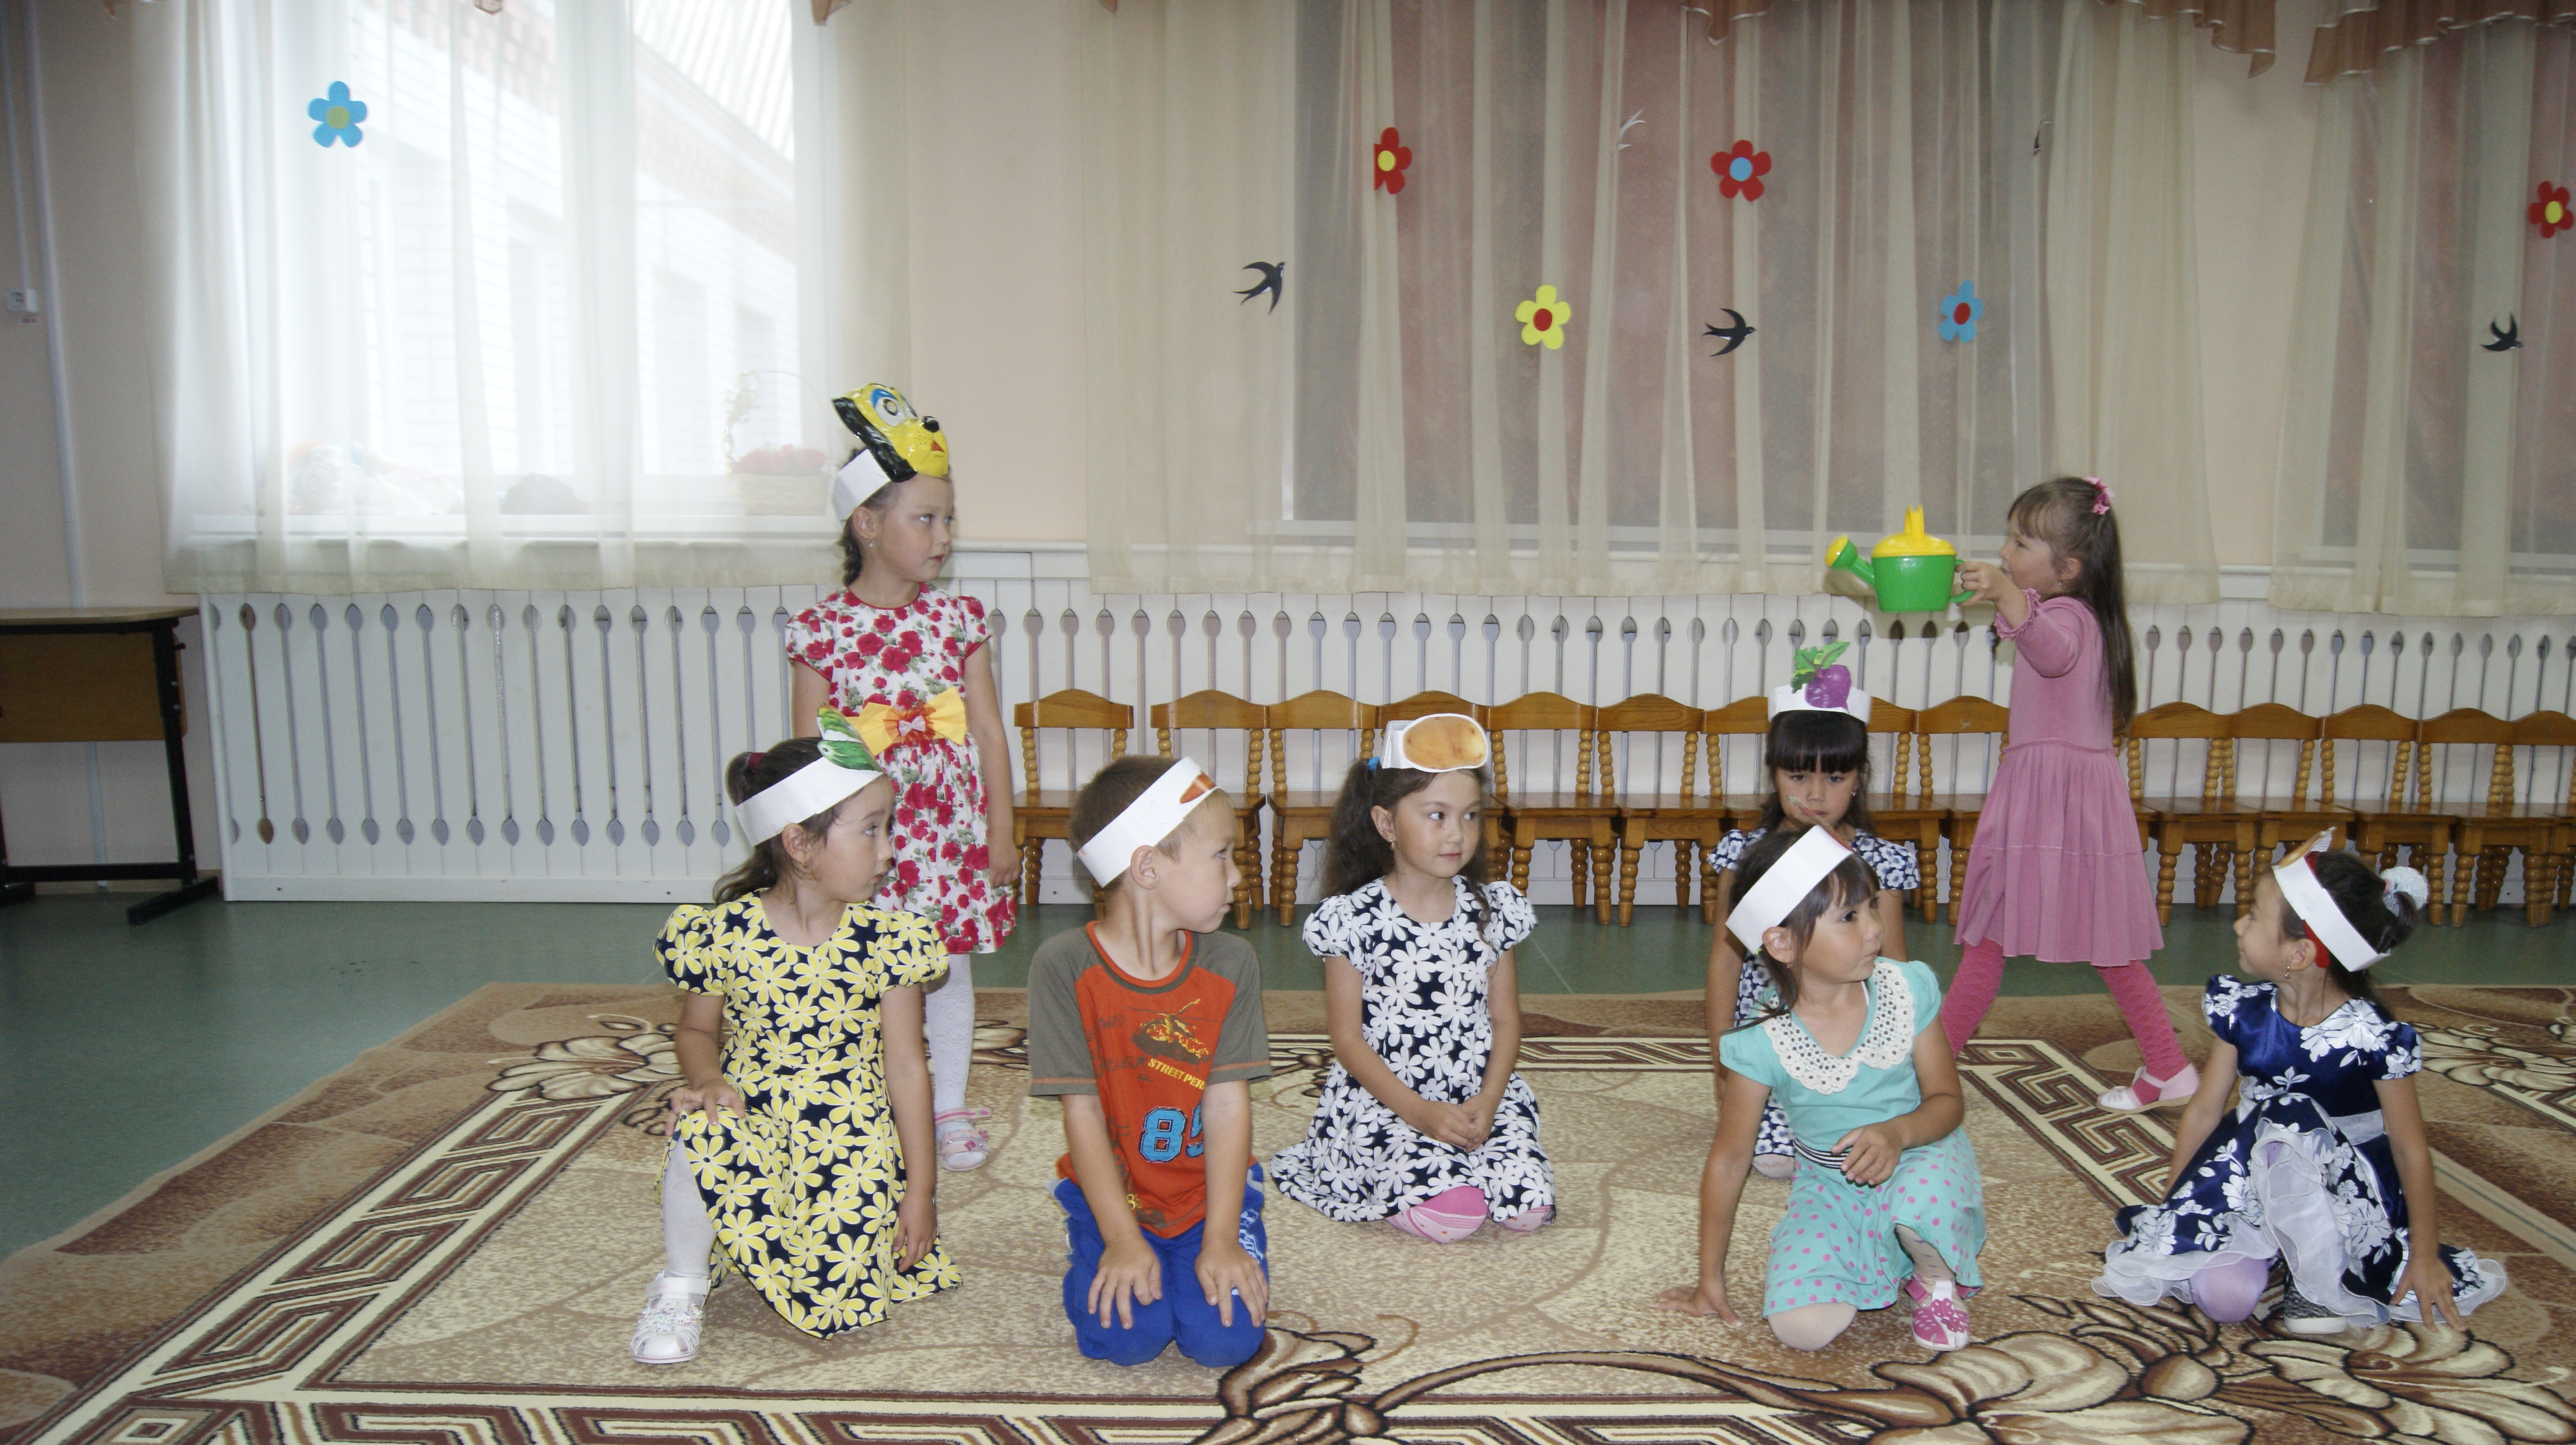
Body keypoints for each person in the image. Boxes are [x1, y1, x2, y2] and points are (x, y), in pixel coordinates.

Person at [632, 716, 957, 1364]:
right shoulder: (723, 932)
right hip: (751, 1110)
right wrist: (707, 1081)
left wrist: (918, 1194)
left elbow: (906, 1068)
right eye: (870, 829)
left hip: (850, 1135)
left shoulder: (888, 940)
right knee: (699, 1122)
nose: (889, 849)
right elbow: (696, 1029)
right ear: (799, 843)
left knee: (838, 1290)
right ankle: (680, 1284)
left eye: (887, 827)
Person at [2095, 839, 2506, 1332]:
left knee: (2290, 1112)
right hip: (2249, 1179)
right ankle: (2276, 1252)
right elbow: (2205, 1112)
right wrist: (2176, 1209)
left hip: (2345, 1198)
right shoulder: (2244, 1011)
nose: (2238, 926)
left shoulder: (2372, 1035)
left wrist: (2423, 1252)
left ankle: (2319, 1281)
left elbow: (2409, 1148)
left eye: (2253, 917)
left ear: (2300, 953)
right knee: (2225, 1302)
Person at [787, 383, 1014, 1171]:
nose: (943, 536)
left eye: (948, 519)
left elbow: (987, 730)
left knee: (946, 970)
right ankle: (869, 1101)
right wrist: (814, 846)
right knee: (867, 970)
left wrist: (1002, 830)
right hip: (864, 838)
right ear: (867, 524)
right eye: (925, 518)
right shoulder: (821, 630)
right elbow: (810, 748)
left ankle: (947, 1107)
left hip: (949, 835)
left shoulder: (959, 620)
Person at [1658, 826, 1985, 1354]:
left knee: (1923, 1204)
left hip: (1918, 1155)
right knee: (1801, 1330)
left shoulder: (1906, 988)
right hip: (1831, 1187)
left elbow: (1949, 1102)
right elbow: (1730, 1159)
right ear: (1783, 943)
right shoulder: (1761, 1039)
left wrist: (1898, 1133)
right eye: (1850, 917)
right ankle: (1880, 1253)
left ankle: (1935, 1279)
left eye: (1872, 906)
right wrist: (1709, 1280)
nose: (1875, 928)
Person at [1941, 475, 2189, 1112]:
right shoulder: (2066, 611)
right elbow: (2037, 641)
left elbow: (2053, 653)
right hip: (2054, 803)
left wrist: (2006, 596)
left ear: (2069, 568)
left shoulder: (2070, 616)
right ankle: (2167, 1066)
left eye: (2020, 543)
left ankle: (1931, 1065)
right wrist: (2003, 595)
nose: (2005, 552)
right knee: (2007, 939)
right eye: (2008, 539)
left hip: (2056, 805)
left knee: (2004, 937)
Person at [1026, 754, 1272, 1368]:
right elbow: (1082, 1113)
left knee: (1223, 1343)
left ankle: (1223, 1237)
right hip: (1114, 1197)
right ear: (1147, 867)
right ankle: (1091, 1241)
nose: (1237, 877)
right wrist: (1119, 1239)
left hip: (1208, 1197)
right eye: (1222, 855)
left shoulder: (1230, 963)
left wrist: (1220, 1239)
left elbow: (1226, 1105)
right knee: (1124, 1341)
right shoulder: (1064, 967)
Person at [1270, 714, 1553, 1242]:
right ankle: (1420, 1178)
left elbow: (1506, 1021)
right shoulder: (1353, 920)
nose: (1457, 834)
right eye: (1437, 816)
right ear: (1386, 825)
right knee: (1456, 1215)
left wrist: (1489, 1101)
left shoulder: (1493, 911)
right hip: (1388, 1100)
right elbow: (1347, 1040)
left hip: (1477, 1095)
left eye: (1470, 816)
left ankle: (1466, 1161)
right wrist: (1420, 1113)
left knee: (1528, 1207)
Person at [1705, 646, 1916, 1179]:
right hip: (1770, 1037)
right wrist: (1723, 1063)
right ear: (1774, 774)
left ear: (1859, 778)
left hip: (1853, 1038)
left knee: (1869, 1144)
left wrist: (1892, 1066)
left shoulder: (1880, 861)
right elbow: (1725, 962)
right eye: (1798, 777)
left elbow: (1895, 971)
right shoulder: (1746, 856)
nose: (1816, 795)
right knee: (1775, 1158)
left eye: (1836, 778)